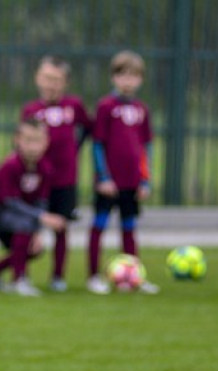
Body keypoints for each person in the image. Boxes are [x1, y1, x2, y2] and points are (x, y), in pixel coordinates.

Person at [88, 50, 158, 295]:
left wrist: (145, 179)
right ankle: (93, 276)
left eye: (134, 75)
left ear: (140, 79)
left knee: (129, 227)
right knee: (99, 226)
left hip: (132, 182)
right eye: (123, 75)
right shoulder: (106, 106)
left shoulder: (142, 109)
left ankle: (133, 276)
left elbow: (145, 147)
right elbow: (97, 144)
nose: (128, 80)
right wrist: (103, 177)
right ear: (113, 77)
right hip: (109, 183)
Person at [21, 55, 92, 292]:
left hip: (65, 179)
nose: (50, 84)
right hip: (39, 180)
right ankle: (22, 274)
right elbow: (22, 141)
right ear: (37, 79)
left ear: (65, 83)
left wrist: (75, 148)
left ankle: (58, 276)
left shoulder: (73, 106)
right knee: (30, 226)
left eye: (56, 79)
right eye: (46, 78)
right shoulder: (31, 110)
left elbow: (88, 129)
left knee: (61, 226)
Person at [0, 120, 66, 297]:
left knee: (32, 248)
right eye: (28, 140)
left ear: (46, 142)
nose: (33, 146)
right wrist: (41, 218)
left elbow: (41, 202)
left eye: (38, 141)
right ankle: (19, 281)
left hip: (17, 212)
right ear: (17, 140)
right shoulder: (11, 165)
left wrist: (38, 231)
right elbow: (11, 201)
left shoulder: (44, 168)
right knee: (23, 226)